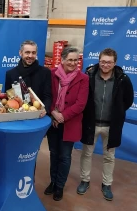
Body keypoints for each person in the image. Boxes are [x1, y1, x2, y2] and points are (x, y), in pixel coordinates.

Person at [77, 48, 134, 201]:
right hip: (91, 123)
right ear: (99, 60)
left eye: (109, 62)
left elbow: (128, 101)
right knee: (86, 153)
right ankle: (85, 180)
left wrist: (117, 112)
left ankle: (106, 184)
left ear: (115, 63)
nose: (105, 65)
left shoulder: (123, 79)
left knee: (109, 156)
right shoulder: (88, 75)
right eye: (102, 61)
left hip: (111, 125)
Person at [44, 47, 89, 201]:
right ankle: (53, 181)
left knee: (64, 156)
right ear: (62, 60)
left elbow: (80, 104)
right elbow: (46, 95)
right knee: (54, 153)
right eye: (70, 59)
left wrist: (62, 116)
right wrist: (53, 113)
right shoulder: (51, 74)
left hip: (70, 123)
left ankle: (59, 186)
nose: (73, 63)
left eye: (76, 60)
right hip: (53, 122)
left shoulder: (83, 78)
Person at [5, 40, 51, 116]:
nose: (30, 56)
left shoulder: (45, 72)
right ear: (20, 53)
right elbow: (9, 97)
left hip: (39, 115)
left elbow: (48, 96)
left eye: (33, 53)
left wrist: (45, 109)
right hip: (17, 116)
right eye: (27, 52)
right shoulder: (10, 74)